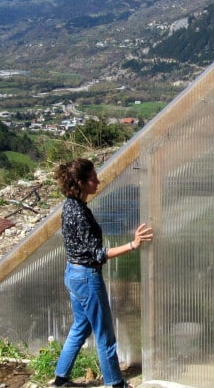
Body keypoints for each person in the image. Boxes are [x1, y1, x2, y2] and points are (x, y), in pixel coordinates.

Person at [51, 158, 153, 388]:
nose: (98, 181)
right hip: (87, 277)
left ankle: (60, 380)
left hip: (73, 273)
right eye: (92, 179)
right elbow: (98, 253)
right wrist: (133, 244)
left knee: (81, 327)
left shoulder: (69, 206)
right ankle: (115, 383)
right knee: (105, 334)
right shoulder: (79, 213)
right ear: (79, 183)